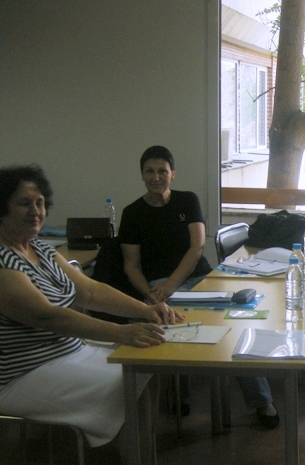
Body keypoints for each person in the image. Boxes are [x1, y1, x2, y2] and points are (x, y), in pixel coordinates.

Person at [0, 164, 180, 464]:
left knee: (144, 367)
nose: (35, 211)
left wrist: (147, 311)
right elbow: (47, 316)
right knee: (128, 381)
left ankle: (140, 456)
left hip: (69, 351)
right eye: (24, 203)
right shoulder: (2, 260)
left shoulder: (41, 250)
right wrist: (120, 332)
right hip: (23, 373)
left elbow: (92, 292)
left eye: (40, 203)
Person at [118, 145, 278, 428]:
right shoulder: (132, 213)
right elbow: (131, 265)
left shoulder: (187, 201)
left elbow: (197, 247)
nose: (156, 177)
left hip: (200, 278)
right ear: (142, 174)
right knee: (178, 328)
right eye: (150, 171)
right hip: (157, 286)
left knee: (234, 327)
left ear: (173, 174)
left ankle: (262, 401)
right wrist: (150, 294)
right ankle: (179, 397)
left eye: (162, 171)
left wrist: (172, 284)